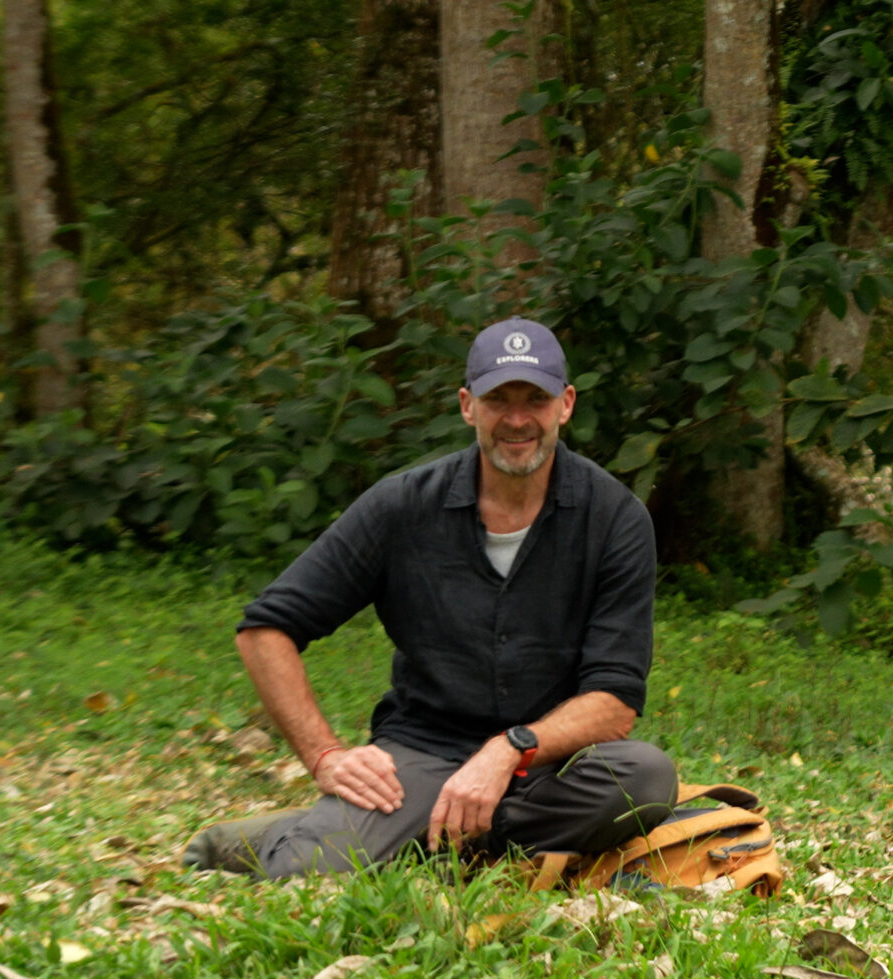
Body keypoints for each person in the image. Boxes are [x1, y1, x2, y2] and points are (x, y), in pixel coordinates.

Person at [193, 318, 677, 878]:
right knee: (303, 877)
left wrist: (508, 749)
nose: (517, 419)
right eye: (498, 399)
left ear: (564, 405)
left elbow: (614, 702)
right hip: (423, 754)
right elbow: (265, 629)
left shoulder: (615, 518)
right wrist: (325, 755)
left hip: (547, 763)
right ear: (468, 405)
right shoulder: (401, 507)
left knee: (645, 779)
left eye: (535, 399)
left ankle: (412, 837)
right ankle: (347, 832)